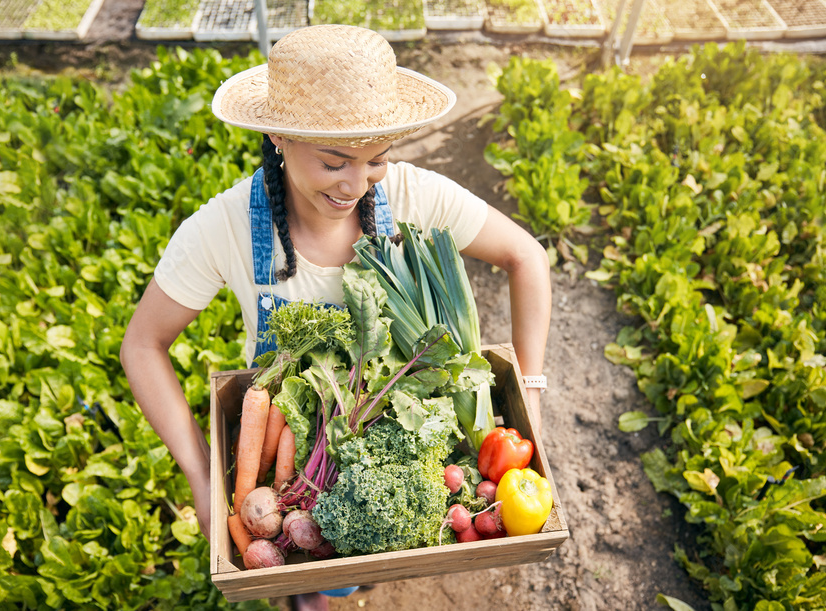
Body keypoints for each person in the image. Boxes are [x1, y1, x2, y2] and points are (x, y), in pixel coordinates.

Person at [119, 24, 551, 611]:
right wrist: (202, 480)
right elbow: (142, 345)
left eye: (377, 160)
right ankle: (311, 589)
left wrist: (532, 393)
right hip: (287, 457)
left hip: (394, 436)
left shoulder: (414, 196)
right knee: (309, 556)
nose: (356, 184)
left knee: (363, 544)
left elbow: (527, 256)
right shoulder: (224, 230)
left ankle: (340, 578)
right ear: (278, 136)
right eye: (334, 162)